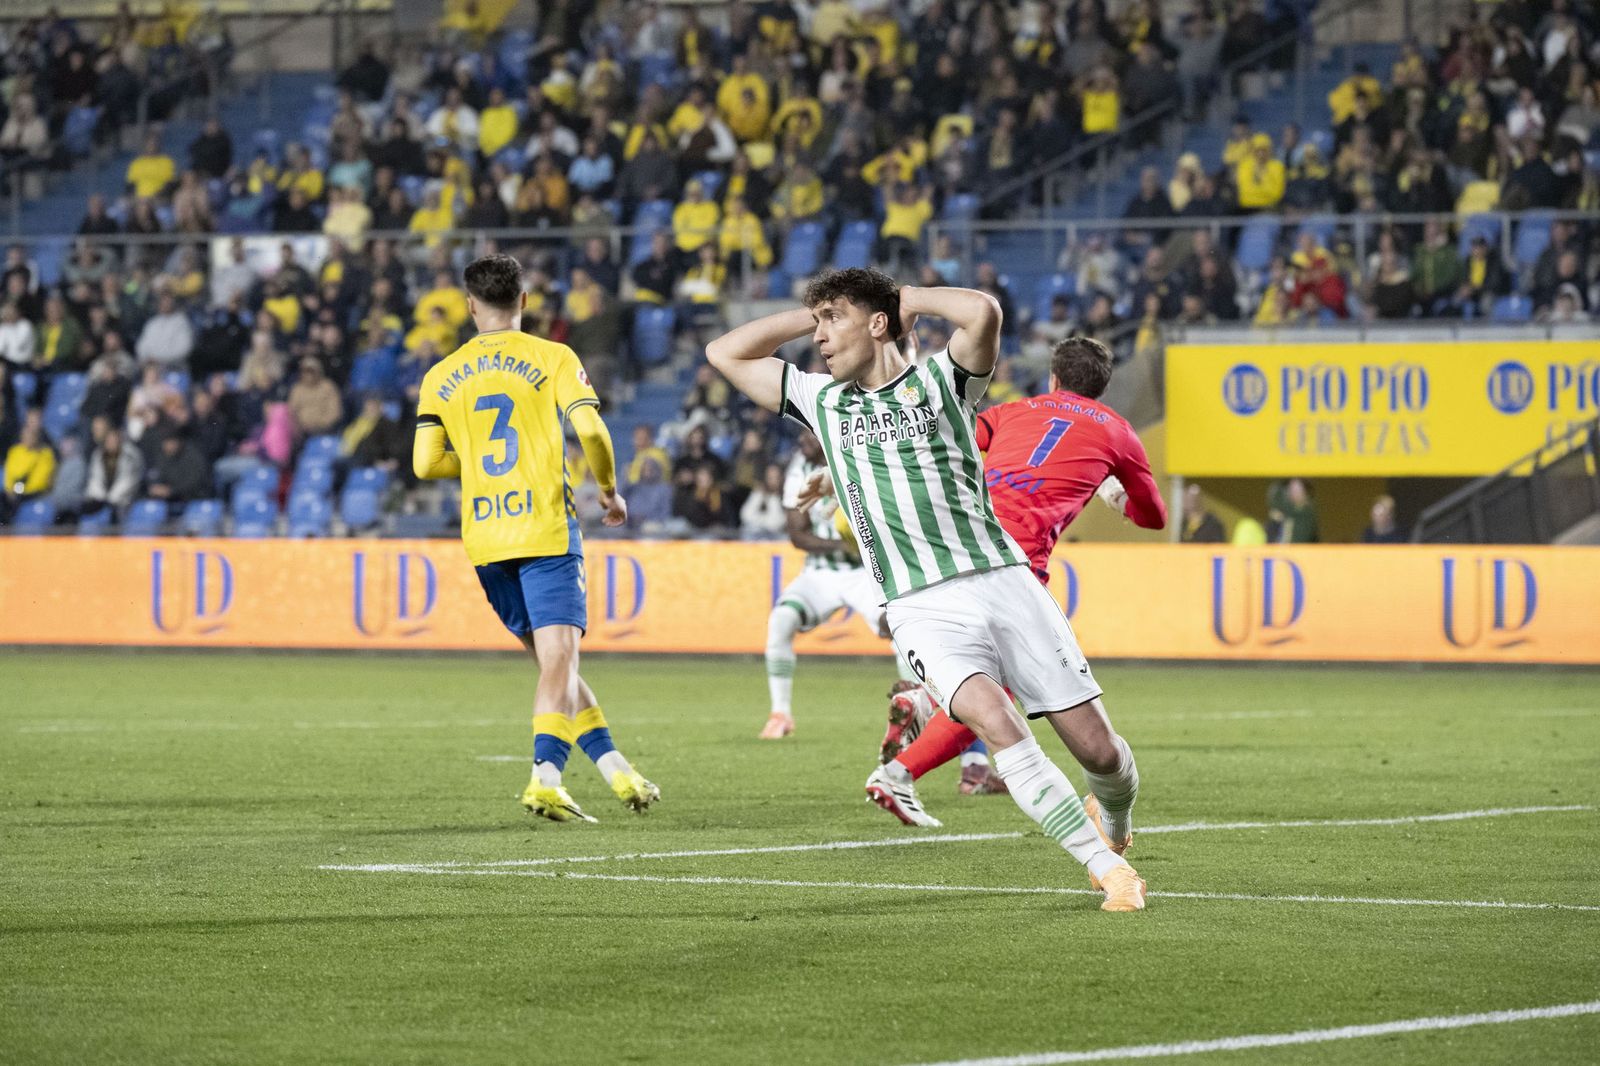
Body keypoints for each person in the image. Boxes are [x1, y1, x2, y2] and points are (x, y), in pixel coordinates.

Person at [706, 268, 1148, 911]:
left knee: (1100, 753)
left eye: (834, 320)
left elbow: (983, 313)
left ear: (877, 323)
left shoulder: (943, 381)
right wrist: (817, 314)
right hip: (920, 606)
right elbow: (724, 352)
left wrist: (902, 300)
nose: (820, 338)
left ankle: (1116, 819)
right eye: (817, 324)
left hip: (1004, 582)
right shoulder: (820, 399)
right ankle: (1109, 869)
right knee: (996, 723)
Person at [412, 253, 658, 823]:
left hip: (486, 540)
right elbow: (590, 427)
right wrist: (609, 491)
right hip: (544, 530)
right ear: (524, 300)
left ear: (470, 306)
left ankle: (618, 771)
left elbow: (425, 464)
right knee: (559, 661)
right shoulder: (553, 356)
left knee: (555, 665)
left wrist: (476, 464)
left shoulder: (439, 375)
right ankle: (545, 778)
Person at [757, 431, 913, 740]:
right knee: (781, 620)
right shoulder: (799, 469)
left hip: (866, 574)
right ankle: (780, 714)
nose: (801, 439)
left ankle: (916, 708)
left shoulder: (859, 456)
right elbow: (797, 534)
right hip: (820, 574)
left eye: (808, 432)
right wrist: (842, 546)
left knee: (900, 628)